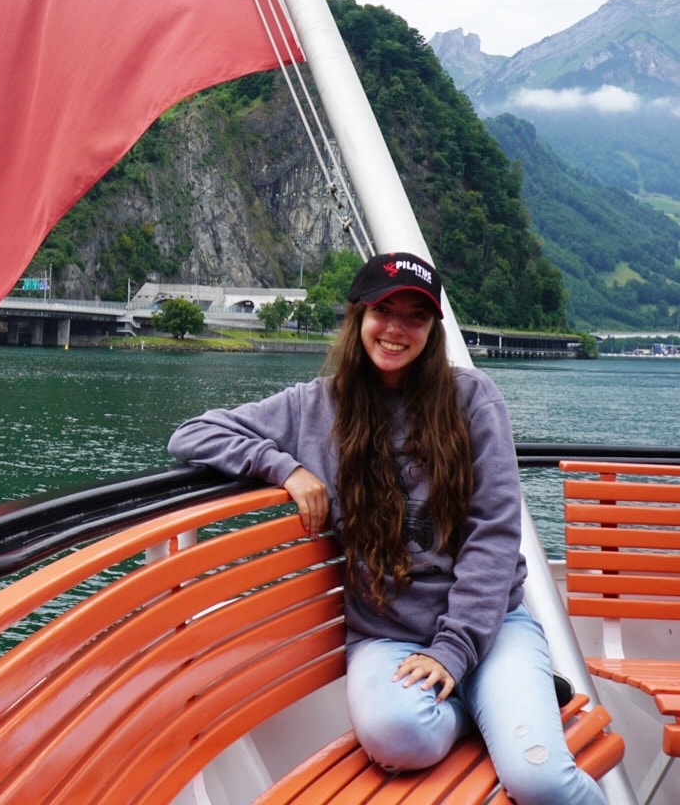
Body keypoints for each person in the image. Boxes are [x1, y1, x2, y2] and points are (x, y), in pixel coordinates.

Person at [167, 251, 605, 804]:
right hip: (386, 636)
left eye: (415, 317)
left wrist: (453, 651)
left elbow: (493, 534)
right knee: (400, 737)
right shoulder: (314, 408)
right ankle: (494, 703)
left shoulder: (471, 400)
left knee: (538, 779)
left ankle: (496, 690)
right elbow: (192, 435)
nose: (396, 329)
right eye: (383, 311)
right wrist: (286, 467)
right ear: (357, 317)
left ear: (433, 329)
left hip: (489, 629)